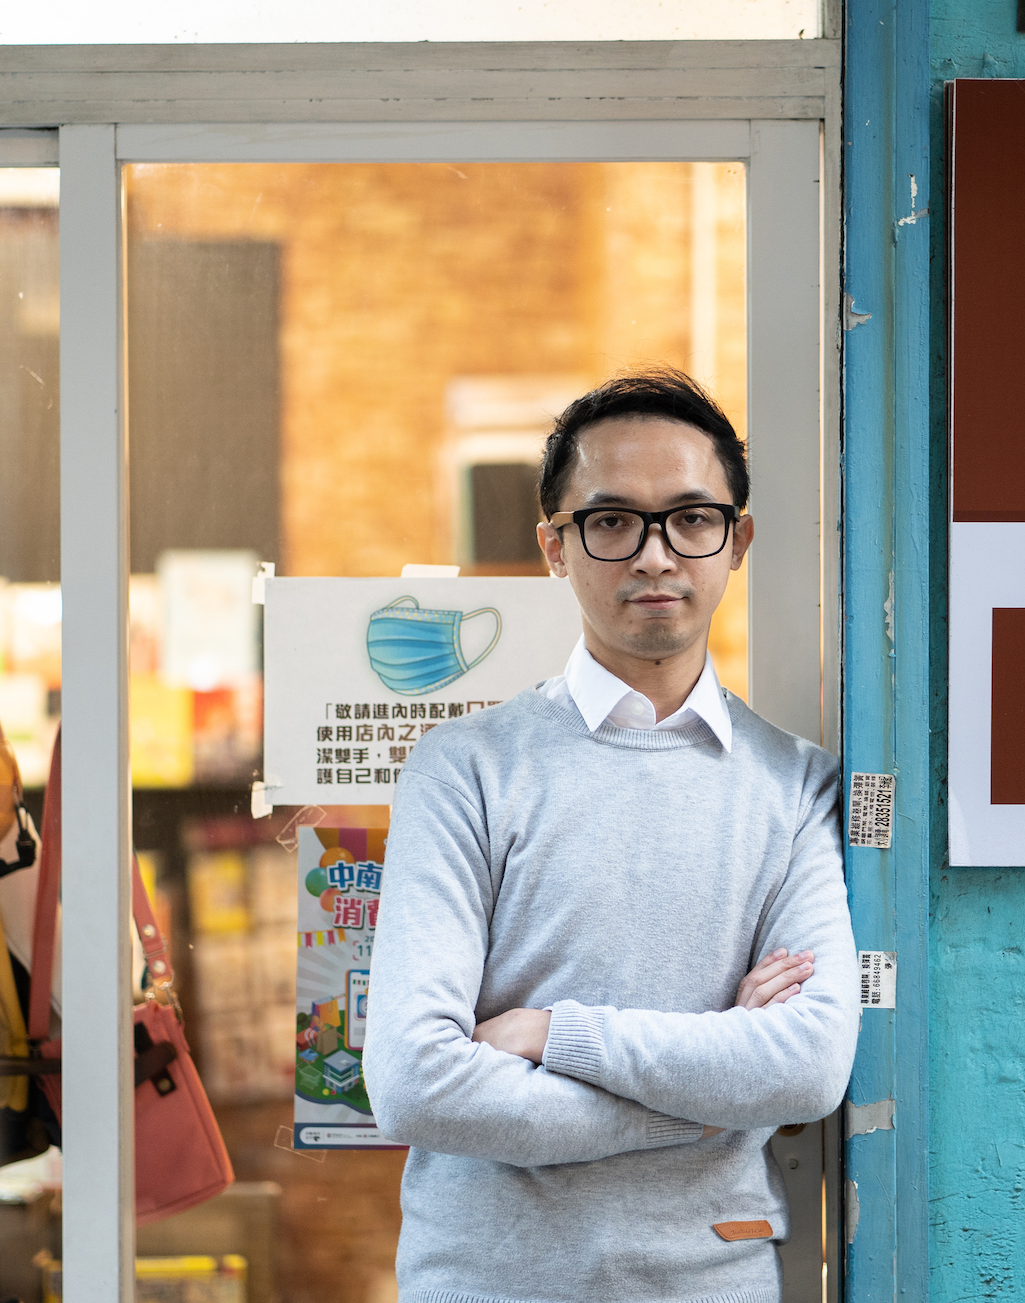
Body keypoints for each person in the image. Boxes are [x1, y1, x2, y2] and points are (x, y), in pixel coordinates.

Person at [364, 366, 859, 1303]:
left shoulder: (795, 785)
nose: (655, 555)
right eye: (612, 520)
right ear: (555, 546)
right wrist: (706, 1102)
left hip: (711, 1285)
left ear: (737, 539)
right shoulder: (463, 769)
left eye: (691, 518)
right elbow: (416, 1084)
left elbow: (807, 1063)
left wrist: (557, 1033)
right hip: (483, 1284)